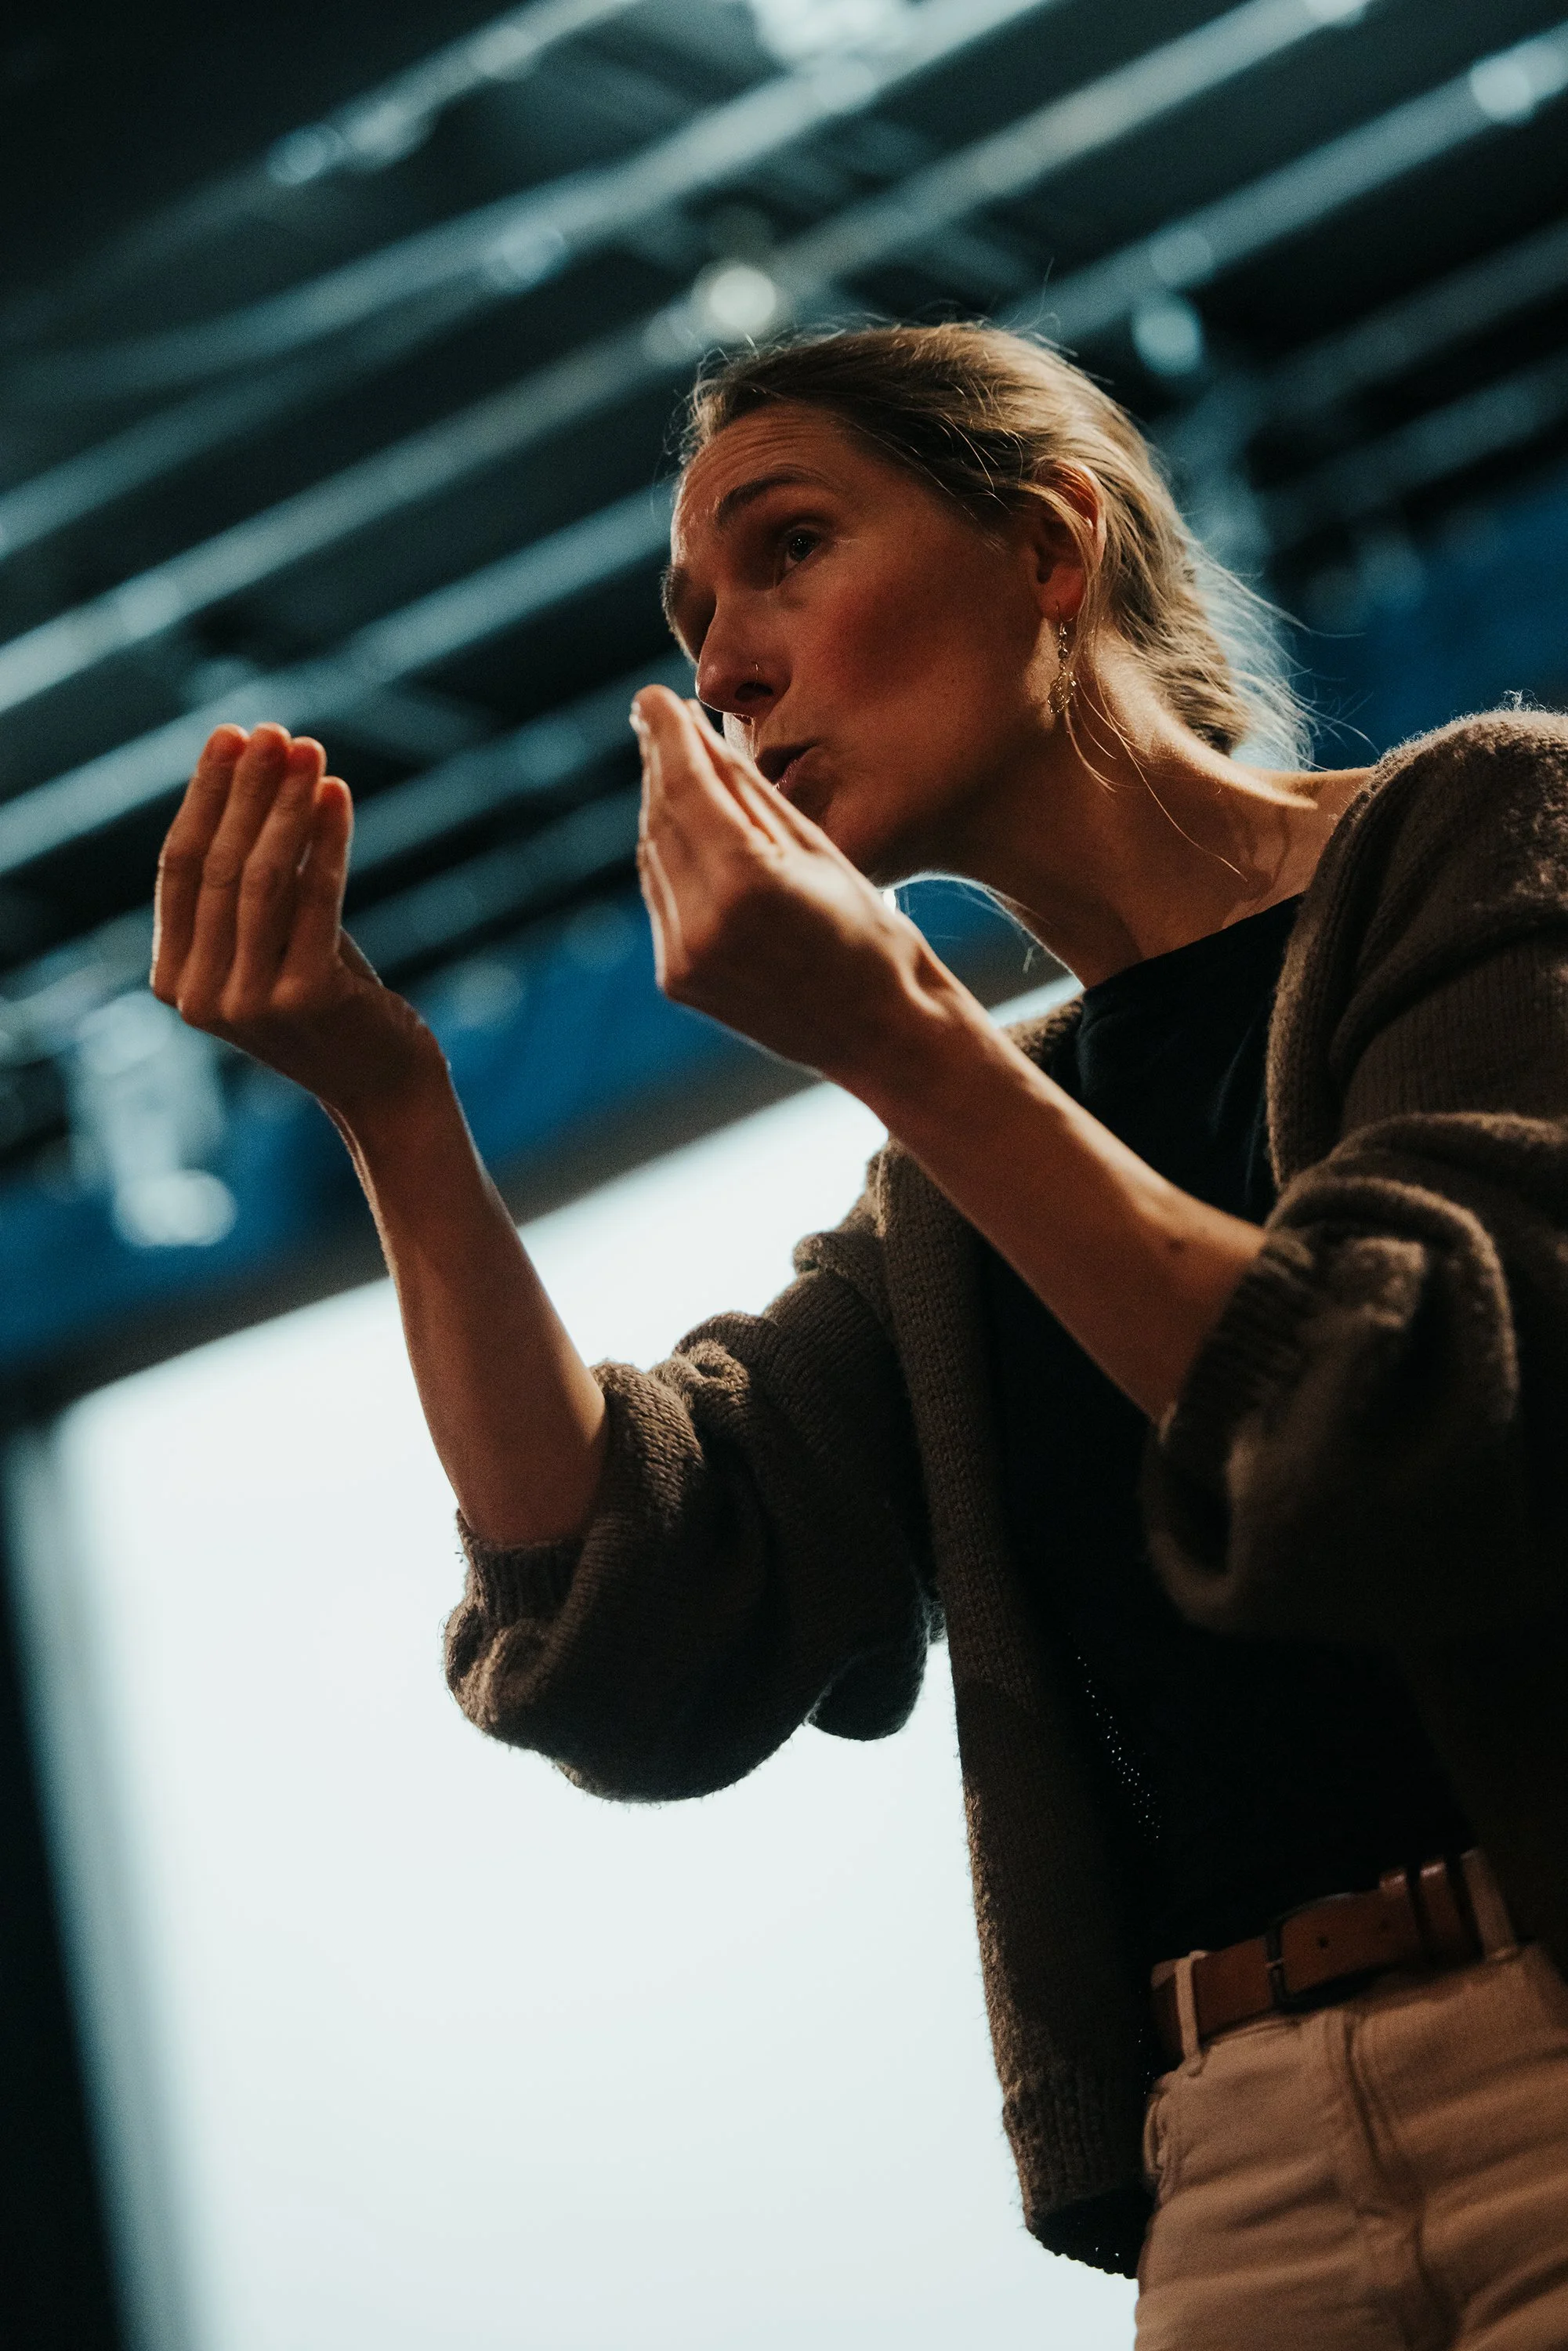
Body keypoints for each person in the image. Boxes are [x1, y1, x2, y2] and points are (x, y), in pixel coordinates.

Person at [151, 323, 1568, 2346]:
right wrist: (390, 1104)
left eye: (789, 549)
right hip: (1235, 2177)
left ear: (1052, 543)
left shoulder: (1476, 839)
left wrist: (905, 1044)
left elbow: (1408, 1414)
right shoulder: (957, 1184)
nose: (720, 662)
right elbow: (638, 1624)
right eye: (693, 615)